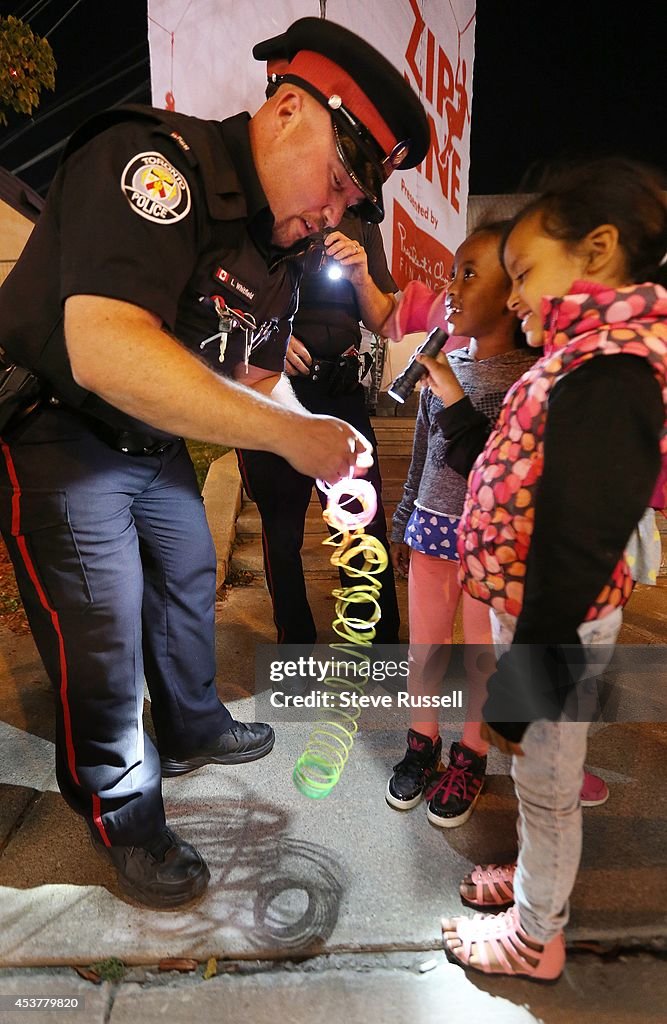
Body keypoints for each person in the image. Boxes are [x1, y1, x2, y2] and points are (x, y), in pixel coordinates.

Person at [0, 17, 430, 909]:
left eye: (356, 198)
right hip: (58, 425)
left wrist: (314, 427)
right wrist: (284, 437)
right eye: (342, 177)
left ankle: (191, 725)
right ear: (284, 112)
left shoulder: (277, 253)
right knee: (102, 631)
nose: (339, 208)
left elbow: (259, 377)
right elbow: (104, 347)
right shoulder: (156, 167)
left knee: (190, 571)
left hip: (146, 441)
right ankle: (124, 813)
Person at [421, 157, 667, 980]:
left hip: (552, 630)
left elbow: (573, 544)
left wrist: (523, 685)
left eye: (524, 272)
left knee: (547, 790)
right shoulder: (583, 354)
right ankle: (533, 889)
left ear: (596, 250)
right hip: (534, 619)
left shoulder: (612, 371)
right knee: (537, 786)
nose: (515, 293)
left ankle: (535, 940)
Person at [384, 222, 536, 825]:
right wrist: (401, 521)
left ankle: (470, 755)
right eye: (452, 271)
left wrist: (450, 392)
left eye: (468, 274)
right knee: (425, 649)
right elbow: (422, 456)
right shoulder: (438, 367)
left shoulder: (528, 382)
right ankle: (421, 741)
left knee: (480, 658)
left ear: (512, 293)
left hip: (488, 550)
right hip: (431, 530)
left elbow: (494, 468)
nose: (449, 287)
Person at [237, 210, 400, 645]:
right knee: (282, 530)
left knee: (360, 525)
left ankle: (377, 648)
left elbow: (386, 321)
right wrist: (269, 335)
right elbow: (218, 296)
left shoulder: (360, 219)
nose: (338, 197)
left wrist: (362, 276)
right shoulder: (259, 207)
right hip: (269, 391)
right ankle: (296, 654)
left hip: (338, 389)